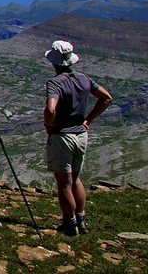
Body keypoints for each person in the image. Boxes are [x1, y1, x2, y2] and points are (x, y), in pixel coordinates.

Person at [43, 40, 112, 236]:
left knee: (63, 182)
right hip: (81, 135)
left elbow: (50, 108)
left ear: (54, 62)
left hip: (63, 136)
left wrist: (49, 126)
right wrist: (88, 119)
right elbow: (106, 97)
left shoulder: (55, 83)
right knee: (76, 179)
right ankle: (82, 220)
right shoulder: (84, 79)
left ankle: (69, 223)